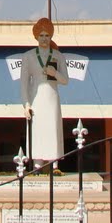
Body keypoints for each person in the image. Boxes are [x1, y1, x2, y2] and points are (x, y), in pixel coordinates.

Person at [20, 17, 68, 169]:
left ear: (51, 36)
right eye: (41, 35)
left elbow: (65, 80)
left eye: (47, 35)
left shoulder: (58, 56)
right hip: (36, 99)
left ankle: (54, 165)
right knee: (38, 131)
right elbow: (24, 83)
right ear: (36, 36)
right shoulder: (28, 56)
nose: (44, 39)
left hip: (52, 98)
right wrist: (26, 104)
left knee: (53, 129)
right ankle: (37, 164)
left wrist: (54, 73)